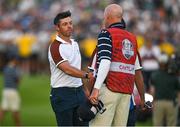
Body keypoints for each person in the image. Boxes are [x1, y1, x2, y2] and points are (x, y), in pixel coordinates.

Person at [89, 4, 145, 126]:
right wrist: (142, 97)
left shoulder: (106, 33)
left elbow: (105, 61)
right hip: (126, 93)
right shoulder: (132, 38)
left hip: (109, 89)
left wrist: (96, 89)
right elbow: (137, 71)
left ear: (107, 17)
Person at [48, 10, 93, 126]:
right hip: (62, 94)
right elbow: (67, 69)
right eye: (65, 24)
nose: (69, 26)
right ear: (57, 27)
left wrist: (85, 90)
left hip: (79, 92)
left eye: (70, 23)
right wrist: (86, 75)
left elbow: (77, 67)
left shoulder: (75, 43)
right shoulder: (55, 47)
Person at [150, 54, 180, 126]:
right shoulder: (174, 75)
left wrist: (152, 102)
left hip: (158, 102)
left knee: (158, 124)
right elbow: (178, 91)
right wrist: (178, 102)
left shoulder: (154, 75)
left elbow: (152, 91)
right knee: (171, 124)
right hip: (171, 102)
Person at [0, 55, 21, 126]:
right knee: (15, 110)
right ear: (13, 60)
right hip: (12, 91)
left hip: (5, 90)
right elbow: (18, 80)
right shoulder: (14, 69)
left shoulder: (5, 68)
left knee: (3, 109)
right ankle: (18, 125)